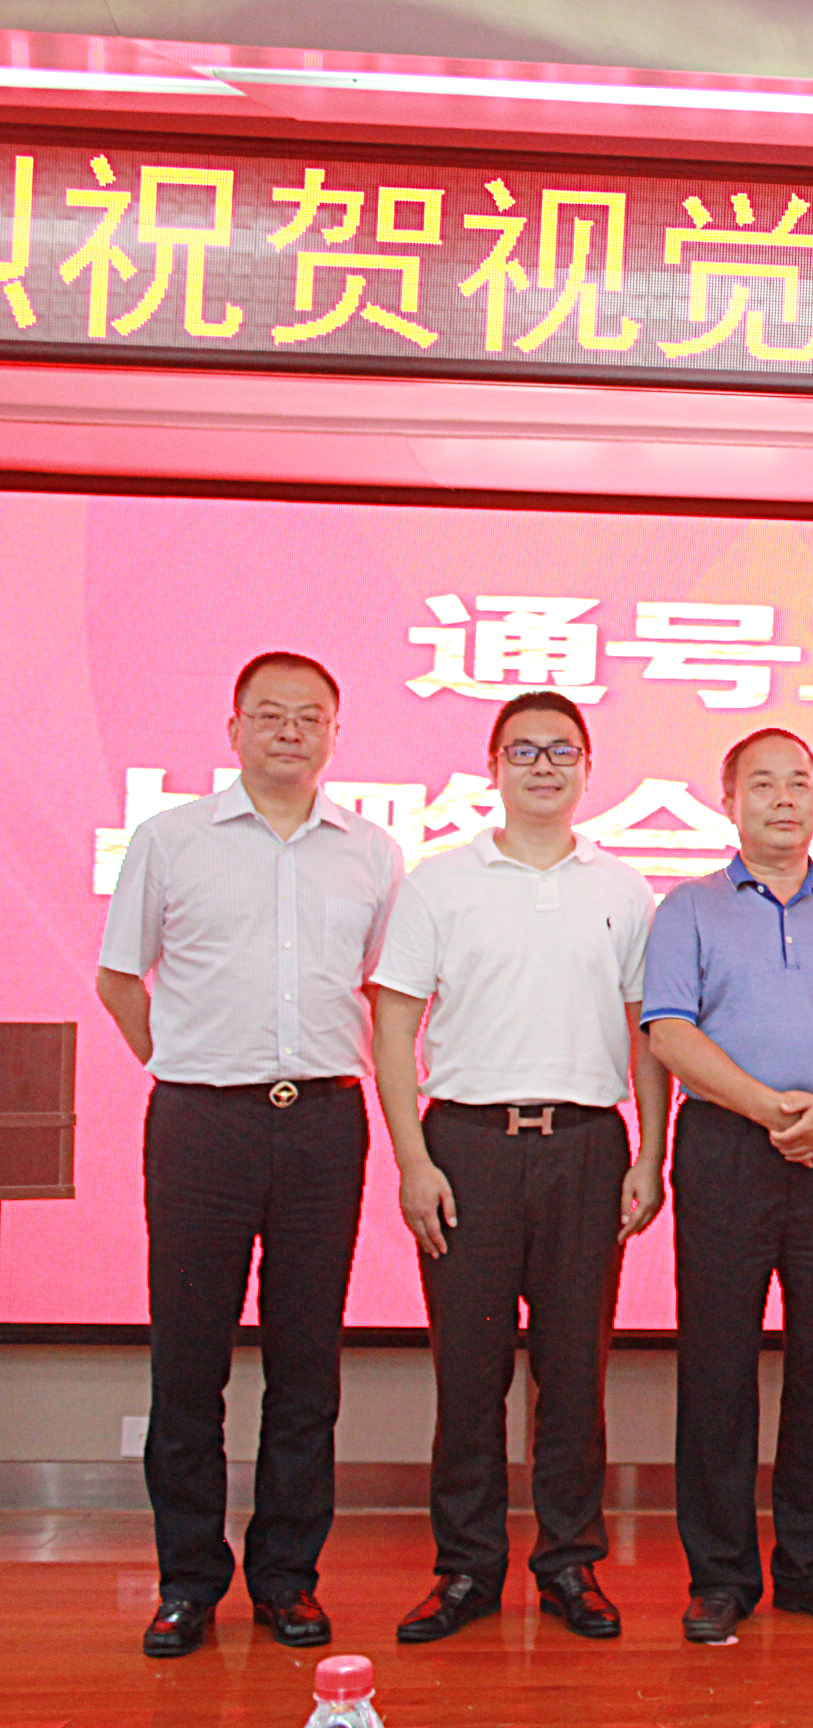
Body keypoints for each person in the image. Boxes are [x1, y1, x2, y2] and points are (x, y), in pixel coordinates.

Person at [97, 651, 404, 1658]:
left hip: (323, 1122)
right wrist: (186, 1064)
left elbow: (381, 990)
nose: (289, 731)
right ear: (233, 730)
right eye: (269, 715)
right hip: (201, 1124)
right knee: (188, 1362)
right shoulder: (171, 838)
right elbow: (120, 980)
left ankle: (287, 1580)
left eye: (310, 716)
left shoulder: (371, 852)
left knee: (306, 1365)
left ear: (334, 735)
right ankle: (188, 1581)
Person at [370, 692, 667, 1644]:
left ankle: (571, 1564)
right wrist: (412, 1157)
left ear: (588, 767)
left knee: (574, 1375)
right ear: (494, 766)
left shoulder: (623, 889)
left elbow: (647, 1033)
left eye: (563, 751)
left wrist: (650, 1153)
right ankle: (465, 1569)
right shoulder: (440, 883)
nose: (545, 767)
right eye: (525, 751)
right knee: (469, 1375)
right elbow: (392, 1024)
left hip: (587, 1146)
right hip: (466, 1148)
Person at [641, 728, 813, 1644]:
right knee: (717, 1361)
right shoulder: (688, 908)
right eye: (763, 783)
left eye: (800, 783)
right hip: (725, 1147)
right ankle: (720, 1575)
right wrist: (768, 1111)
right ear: (729, 801)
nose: (784, 798)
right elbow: (668, 1030)